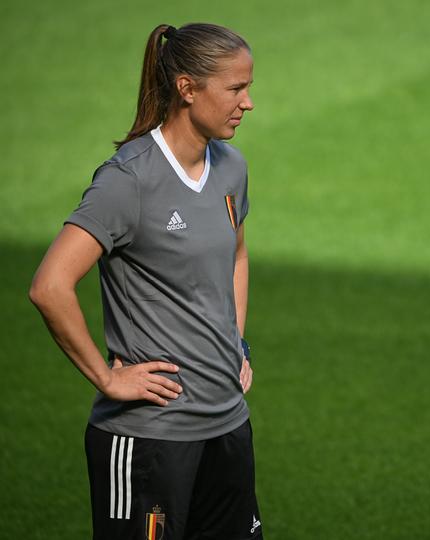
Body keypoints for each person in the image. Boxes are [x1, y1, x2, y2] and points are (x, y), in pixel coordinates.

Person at [29, 22, 262, 540]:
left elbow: (236, 254)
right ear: (187, 88)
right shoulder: (128, 180)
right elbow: (49, 286)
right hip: (149, 441)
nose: (248, 102)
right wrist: (108, 379)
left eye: (248, 87)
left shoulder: (231, 168)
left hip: (227, 426)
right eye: (235, 88)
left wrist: (235, 344)